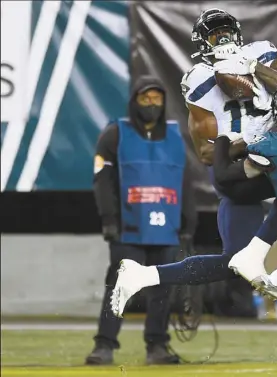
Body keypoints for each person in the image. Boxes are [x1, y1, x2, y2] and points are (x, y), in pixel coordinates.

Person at [111, 82, 277, 377]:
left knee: (248, 245)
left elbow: (223, 173)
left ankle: (149, 273)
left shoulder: (272, 144)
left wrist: (228, 140)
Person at [168, 8, 277, 288]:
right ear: (204, 43)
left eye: (226, 31)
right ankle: (148, 276)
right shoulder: (199, 79)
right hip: (238, 166)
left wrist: (252, 68)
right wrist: (247, 145)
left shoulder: (261, 52)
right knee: (234, 261)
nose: (223, 37)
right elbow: (206, 152)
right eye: (215, 34)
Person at [85, 76, 196, 365]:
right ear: (135, 101)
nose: (151, 104)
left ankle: (157, 346)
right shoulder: (114, 134)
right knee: (119, 287)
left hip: (166, 228)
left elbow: (184, 182)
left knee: (162, 291)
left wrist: (189, 222)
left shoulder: (175, 137)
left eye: (157, 99)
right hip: (128, 228)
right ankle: (104, 345)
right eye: (145, 99)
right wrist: (108, 219)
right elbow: (102, 181)